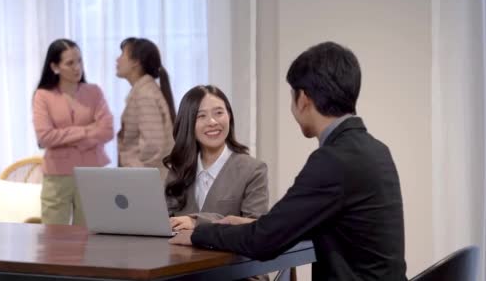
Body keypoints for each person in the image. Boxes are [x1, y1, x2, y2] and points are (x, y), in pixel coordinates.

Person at [170, 42, 407, 281]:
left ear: (303, 98)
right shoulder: (375, 150)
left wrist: (198, 233)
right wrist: (249, 226)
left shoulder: (332, 161)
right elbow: (294, 227)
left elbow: (263, 242)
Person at [164, 85, 269, 231]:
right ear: (188, 124)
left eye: (219, 113)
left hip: (229, 254)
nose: (212, 122)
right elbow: (165, 221)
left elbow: (256, 226)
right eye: (201, 116)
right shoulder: (178, 168)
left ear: (229, 116)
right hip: (179, 253)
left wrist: (197, 222)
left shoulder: (253, 170)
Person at [33, 38, 114, 225]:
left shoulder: (94, 92)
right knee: (53, 235)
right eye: (70, 63)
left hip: (92, 172)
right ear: (55, 67)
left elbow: (107, 130)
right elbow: (45, 137)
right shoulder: (43, 95)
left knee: (90, 234)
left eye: (79, 61)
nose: (77, 67)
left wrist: (64, 136)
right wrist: (86, 130)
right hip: (57, 175)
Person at [116, 37, 176, 178]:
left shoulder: (144, 94)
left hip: (144, 179)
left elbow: (152, 145)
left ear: (136, 62)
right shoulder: (144, 91)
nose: (117, 60)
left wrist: (134, 170)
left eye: (122, 55)